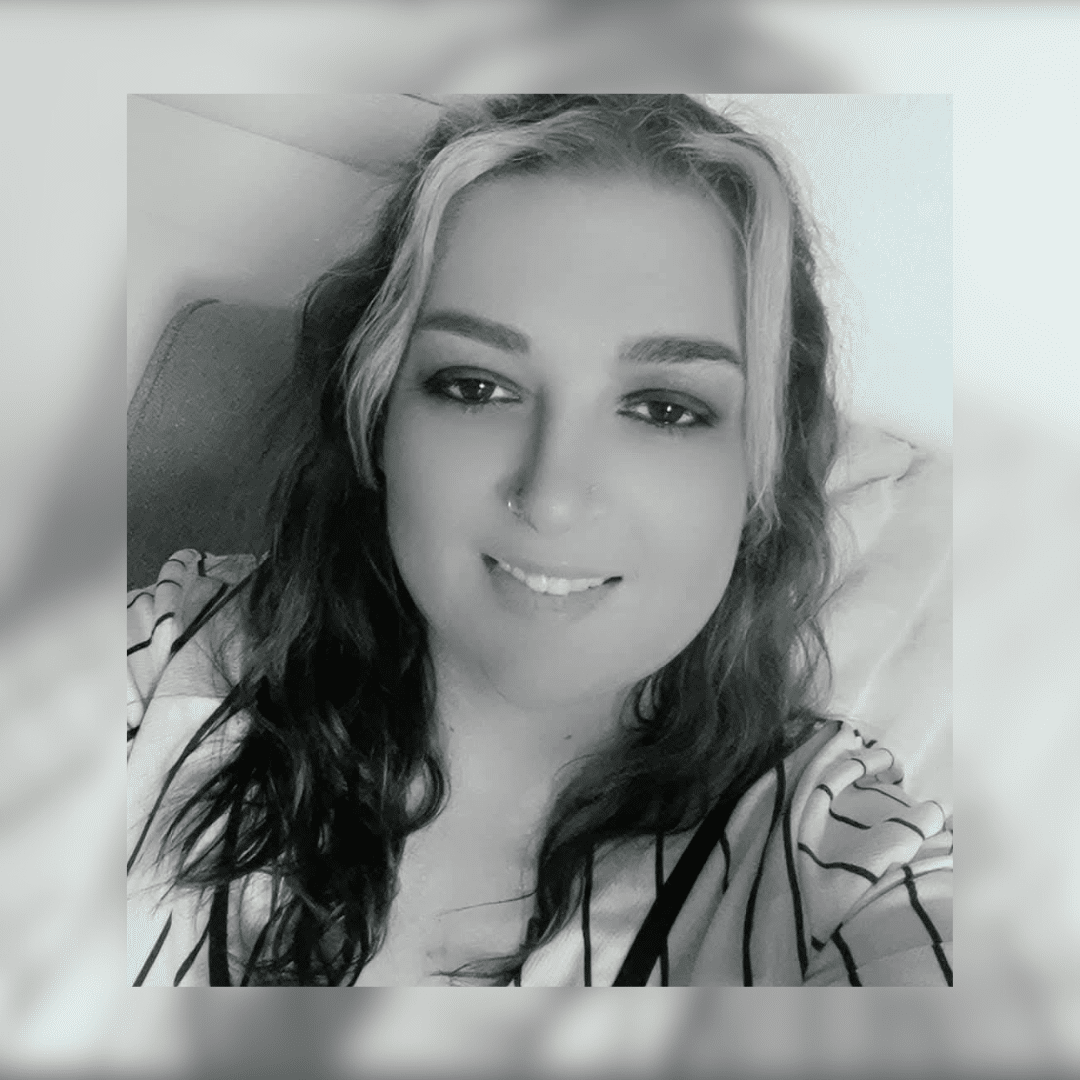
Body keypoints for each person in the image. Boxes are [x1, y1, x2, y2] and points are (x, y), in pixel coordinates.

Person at [127, 94, 952, 986]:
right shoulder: (171, 655)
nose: (552, 499)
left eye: (664, 408)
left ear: (761, 474)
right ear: (376, 419)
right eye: (476, 386)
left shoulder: (843, 858)